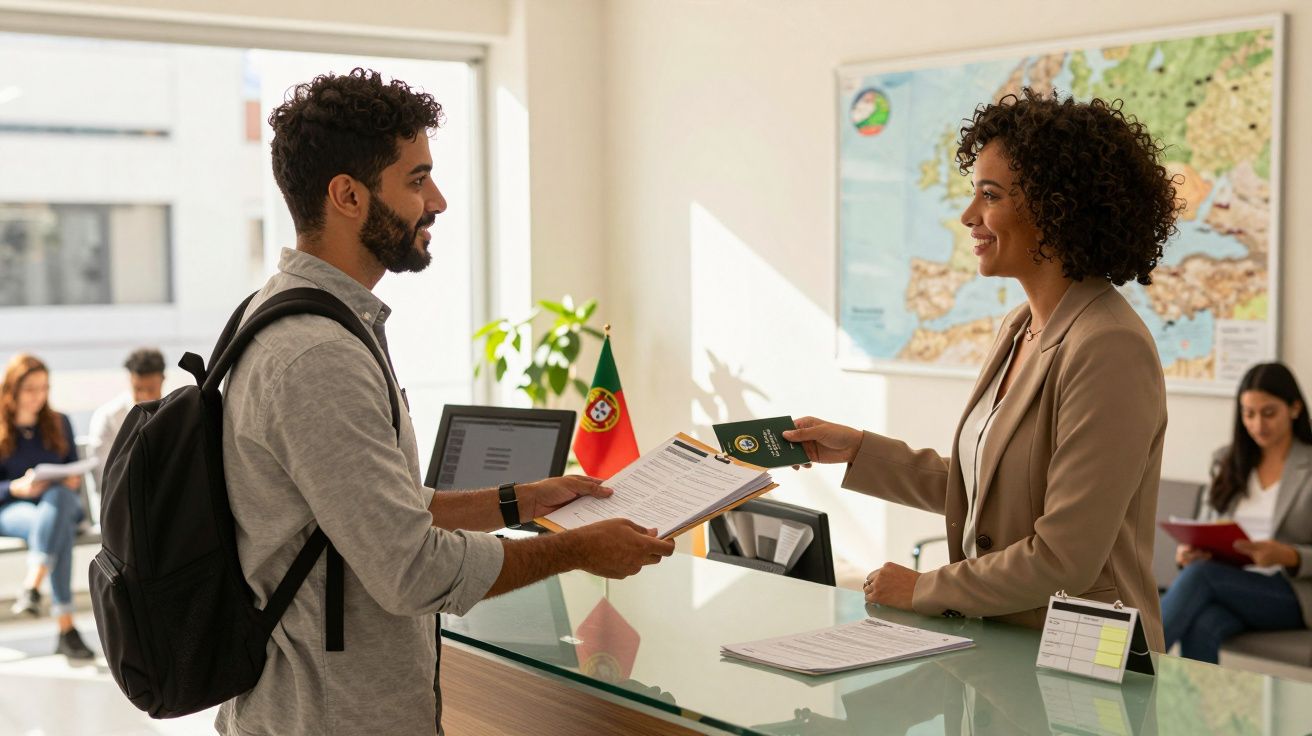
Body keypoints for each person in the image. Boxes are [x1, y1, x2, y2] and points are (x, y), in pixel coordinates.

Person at [216, 68, 674, 736]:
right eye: (415, 179)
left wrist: (519, 501)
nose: (438, 200)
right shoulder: (318, 357)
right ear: (347, 195)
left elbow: (374, 515)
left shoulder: (300, 319)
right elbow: (410, 570)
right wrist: (575, 551)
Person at [784, 89, 1180, 650]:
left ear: (1055, 206)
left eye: (988, 196)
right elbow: (991, 492)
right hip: (1005, 647)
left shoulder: (1108, 346)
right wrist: (860, 450)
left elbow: (1065, 556)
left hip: (1085, 660)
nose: (969, 217)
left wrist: (924, 587)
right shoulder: (1020, 326)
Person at [1162, 362, 1312, 663]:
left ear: (1294, 409)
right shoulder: (1227, 462)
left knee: (1201, 577)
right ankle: (1195, 712)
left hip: (1292, 594)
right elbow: (1207, 527)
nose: (1258, 424)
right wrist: (1191, 552)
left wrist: (1287, 555)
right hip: (1230, 584)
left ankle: (1129, 663)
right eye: (1249, 414)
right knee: (1203, 625)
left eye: (1269, 413)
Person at [0, 353, 95, 659]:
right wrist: (16, 486)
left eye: (43, 388)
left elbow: (71, 470)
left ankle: (33, 584)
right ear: (11, 390)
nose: (38, 396)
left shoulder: (58, 422)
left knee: (59, 503)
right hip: (15, 510)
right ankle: (67, 630)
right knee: (57, 525)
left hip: (59, 504)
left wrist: (70, 481)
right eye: (30, 389)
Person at [87, 347, 165, 491]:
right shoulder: (108, 417)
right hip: (122, 496)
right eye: (138, 389)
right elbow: (102, 474)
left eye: (151, 389)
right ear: (130, 379)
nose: (145, 397)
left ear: (163, 380)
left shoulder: (172, 413)